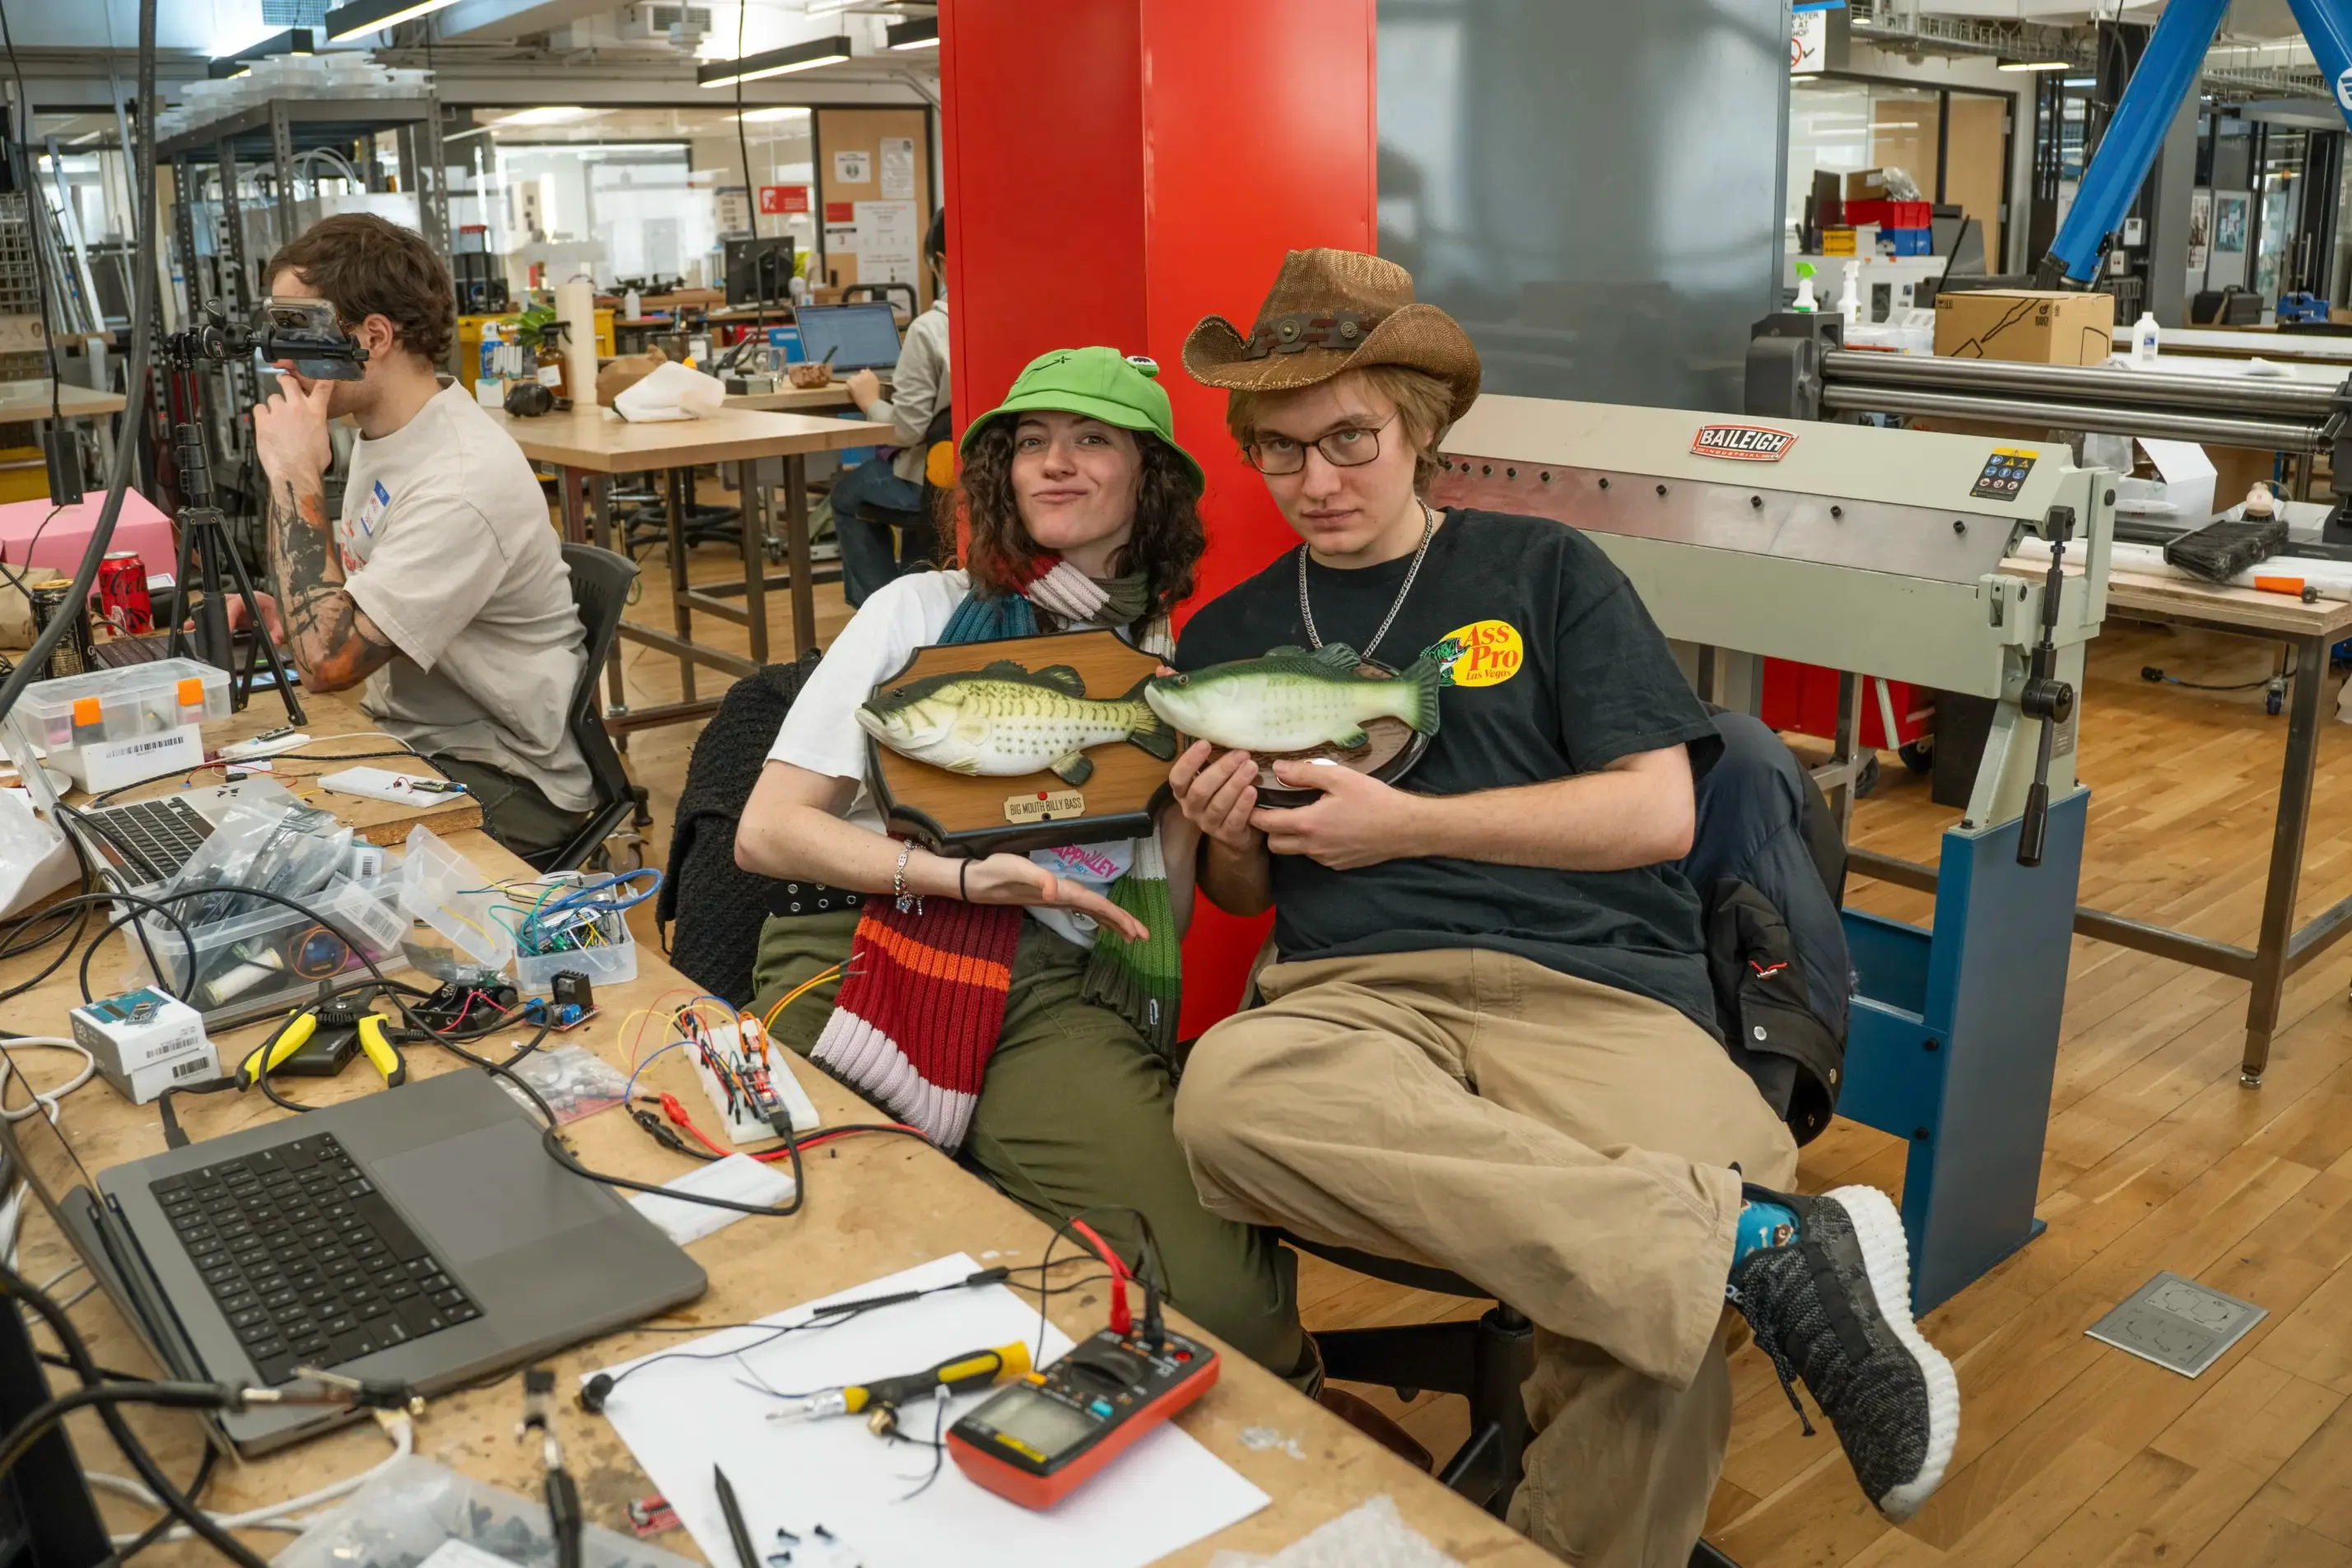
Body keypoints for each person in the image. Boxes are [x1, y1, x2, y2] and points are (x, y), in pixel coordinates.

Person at [1162, 249, 1959, 1567]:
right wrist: (1229, 840)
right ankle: (1757, 1249)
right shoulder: (1227, 634)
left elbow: (1656, 812)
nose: (1316, 482)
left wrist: (1404, 825)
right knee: (1226, 1106)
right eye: (1280, 450)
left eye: (1349, 439)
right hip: (1355, 1002)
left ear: (1420, 429)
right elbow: (1249, 897)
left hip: (1598, 984)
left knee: (1648, 1309)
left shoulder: (1546, 571)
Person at [734, 346, 1311, 1383]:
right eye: (1031, 443)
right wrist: (960, 879)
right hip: (866, 946)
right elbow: (767, 832)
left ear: (1151, 481)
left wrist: (1214, 818)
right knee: (813, 1246)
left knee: (1238, 1312)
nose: (1057, 464)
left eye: (1093, 440)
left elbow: (1167, 916)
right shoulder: (916, 612)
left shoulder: (1176, 662)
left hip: (1061, 989)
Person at [245, 212, 594, 864]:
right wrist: (290, 614)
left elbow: (329, 666)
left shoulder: (460, 479)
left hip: (504, 775)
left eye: (302, 332)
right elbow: (341, 621)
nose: (284, 361)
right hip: (411, 735)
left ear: (373, 335)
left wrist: (293, 474)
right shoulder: (390, 437)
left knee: (281, 876)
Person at [834, 207, 949, 608]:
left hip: (935, 482)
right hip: (993, 475)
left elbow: (907, 431)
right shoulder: (1016, 321)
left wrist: (869, 402)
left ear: (942, 263)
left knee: (847, 492)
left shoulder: (930, 330)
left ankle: (883, 611)